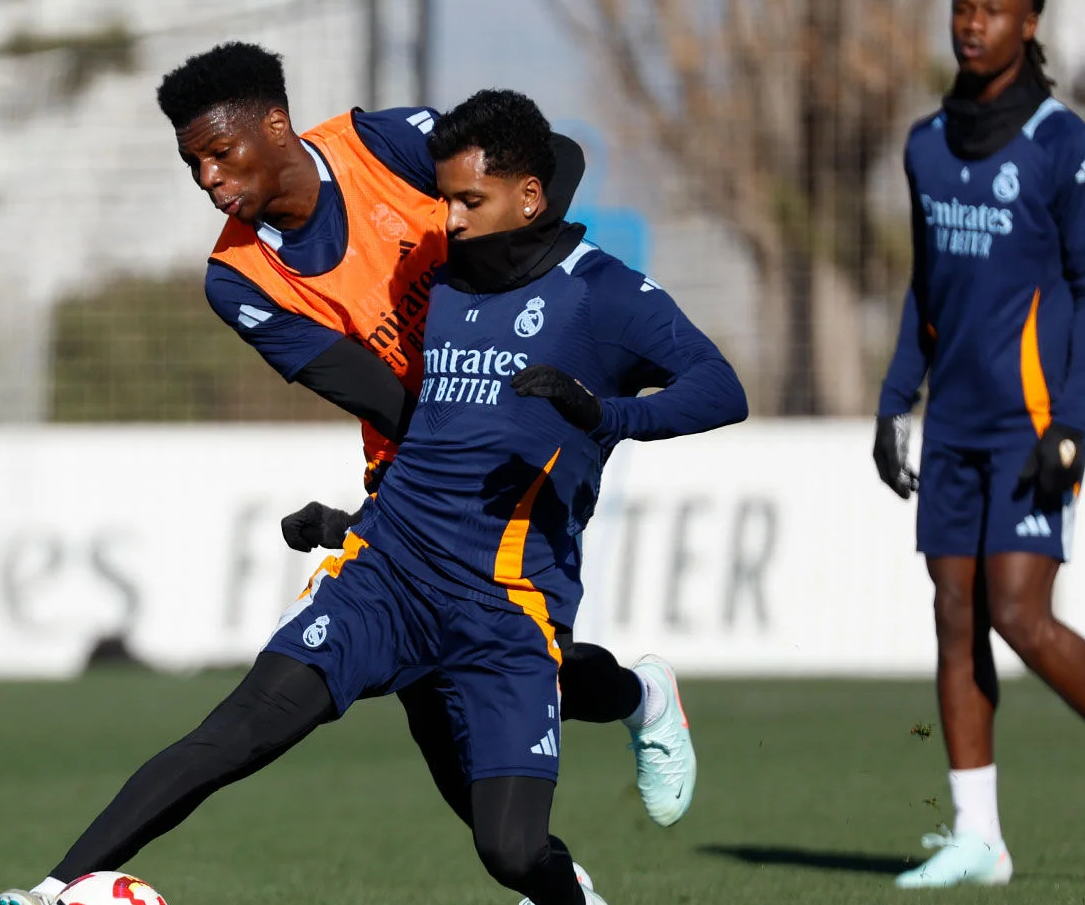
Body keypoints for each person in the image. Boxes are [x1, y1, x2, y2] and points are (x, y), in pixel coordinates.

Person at [0, 88, 746, 905]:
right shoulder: (281, 277)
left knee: (500, 821)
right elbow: (394, 403)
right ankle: (50, 892)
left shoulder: (534, 251)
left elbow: (715, 384)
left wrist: (603, 414)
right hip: (392, 543)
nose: (447, 222)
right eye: (192, 162)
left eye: (466, 203)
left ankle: (623, 732)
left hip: (506, 569)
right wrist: (364, 519)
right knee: (244, 730)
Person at [164, 41, 696, 829]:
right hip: (416, 452)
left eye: (219, 153)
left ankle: (632, 713)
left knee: (504, 666)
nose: (208, 178)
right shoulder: (238, 276)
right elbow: (371, 392)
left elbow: (547, 166)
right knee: (440, 699)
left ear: (273, 124)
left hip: (518, 439)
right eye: (193, 164)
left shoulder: (384, 144)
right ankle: (547, 882)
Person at [875, 0, 1085, 888]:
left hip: (1033, 422)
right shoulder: (926, 144)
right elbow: (926, 288)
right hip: (956, 426)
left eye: (993, 11)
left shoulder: (1067, 148)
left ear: (1030, 25)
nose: (972, 24)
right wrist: (898, 398)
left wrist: (1075, 424)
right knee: (955, 614)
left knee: (1019, 612)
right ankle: (980, 836)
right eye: (962, 8)